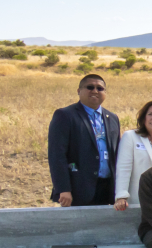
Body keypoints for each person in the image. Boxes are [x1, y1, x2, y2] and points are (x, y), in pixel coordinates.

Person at [48, 74, 120, 207]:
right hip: (78, 189)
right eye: (90, 87)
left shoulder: (113, 118)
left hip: (107, 189)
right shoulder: (65, 115)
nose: (95, 91)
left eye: (100, 88)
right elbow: (56, 155)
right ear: (79, 91)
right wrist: (63, 188)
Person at [114, 99, 152, 211]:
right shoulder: (130, 137)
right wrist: (121, 196)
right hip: (138, 200)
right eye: (150, 114)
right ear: (144, 117)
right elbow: (123, 168)